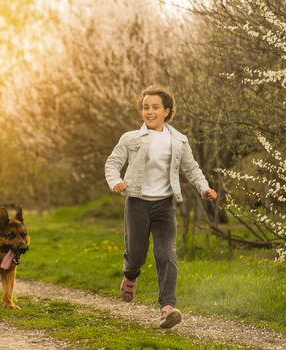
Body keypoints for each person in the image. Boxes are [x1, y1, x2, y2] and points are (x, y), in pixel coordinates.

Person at [104, 85, 217, 329]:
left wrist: (204, 188)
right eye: (146, 107)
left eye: (155, 107)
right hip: (137, 203)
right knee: (136, 256)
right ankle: (130, 275)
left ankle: (167, 308)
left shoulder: (178, 141)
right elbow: (113, 163)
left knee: (166, 254)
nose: (150, 111)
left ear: (167, 111)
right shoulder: (131, 138)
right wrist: (116, 182)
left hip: (164, 205)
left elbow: (192, 168)